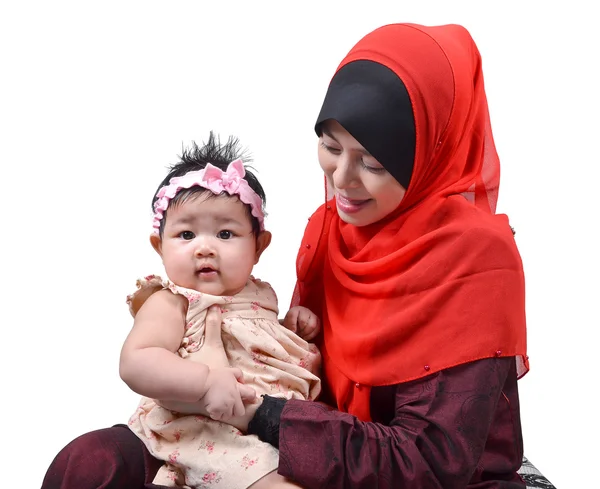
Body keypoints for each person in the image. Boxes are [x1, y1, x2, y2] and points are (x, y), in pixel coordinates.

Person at [42, 22, 530, 489]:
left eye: (374, 163)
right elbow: (296, 362)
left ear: (431, 153)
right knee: (88, 466)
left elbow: (428, 462)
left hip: (365, 463)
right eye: (330, 146)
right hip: (269, 432)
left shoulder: (475, 259)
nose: (341, 180)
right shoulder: (330, 231)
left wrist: (257, 413)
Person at [119, 134, 321, 488]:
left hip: (274, 421)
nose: (205, 248)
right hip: (205, 427)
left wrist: (292, 325)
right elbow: (136, 361)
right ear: (159, 245)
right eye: (186, 235)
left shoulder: (258, 293)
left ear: (259, 246)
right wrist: (205, 382)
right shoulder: (173, 301)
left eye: (226, 234)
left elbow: (258, 342)